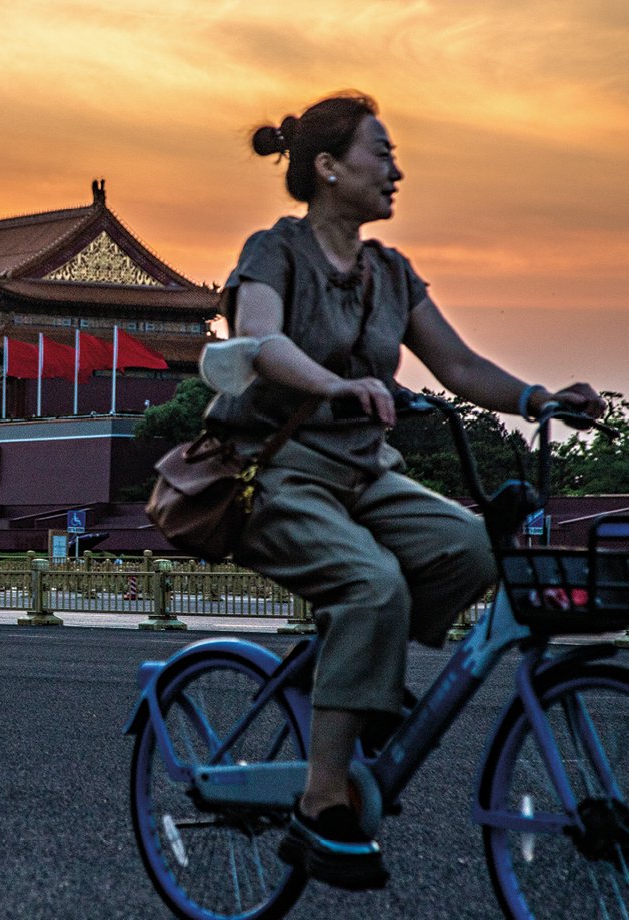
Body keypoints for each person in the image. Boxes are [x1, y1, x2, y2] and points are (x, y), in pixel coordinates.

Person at [205, 93, 603, 889]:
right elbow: (260, 339)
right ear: (327, 167)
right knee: (371, 584)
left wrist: (539, 398)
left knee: (473, 546)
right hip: (274, 472)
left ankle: (359, 681)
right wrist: (333, 385)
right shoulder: (274, 251)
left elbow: (456, 366)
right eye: (380, 153)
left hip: (365, 475)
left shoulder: (389, 271)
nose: (396, 171)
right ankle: (323, 805)